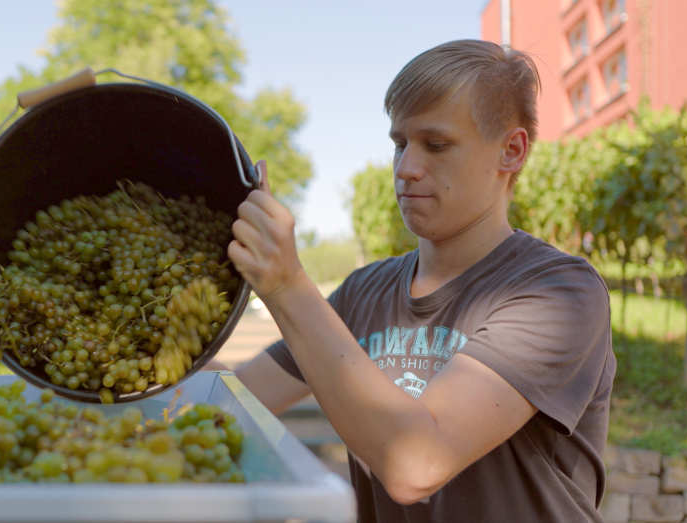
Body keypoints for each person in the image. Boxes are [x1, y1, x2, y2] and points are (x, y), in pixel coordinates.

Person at [223, 39, 616, 522]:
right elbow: (229, 405)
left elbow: (416, 462)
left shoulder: (559, 293)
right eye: (399, 143)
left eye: (436, 145)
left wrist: (286, 286)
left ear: (511, 152)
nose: (406, 168)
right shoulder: (363, 291)